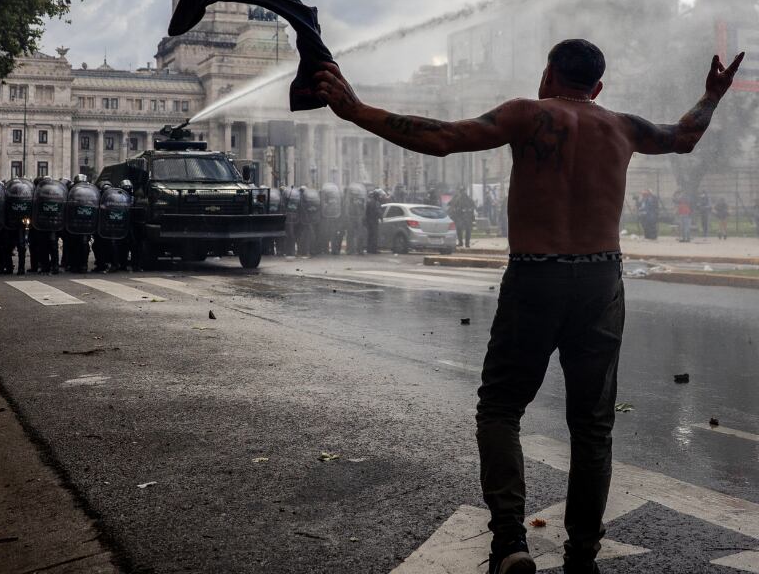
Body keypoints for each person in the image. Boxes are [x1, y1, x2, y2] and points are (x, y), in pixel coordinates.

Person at [314, 37, 744, 574]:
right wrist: (712, 95)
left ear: (548, 76)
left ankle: (510, 544)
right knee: (592, 427)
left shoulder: (526, 113)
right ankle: (583, 553)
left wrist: (356, 111)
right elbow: (684, 136)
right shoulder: (623, 126)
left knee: (500, 408)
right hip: (601, 278)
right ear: (598, 86)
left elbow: (443, 137)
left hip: (536, 276)